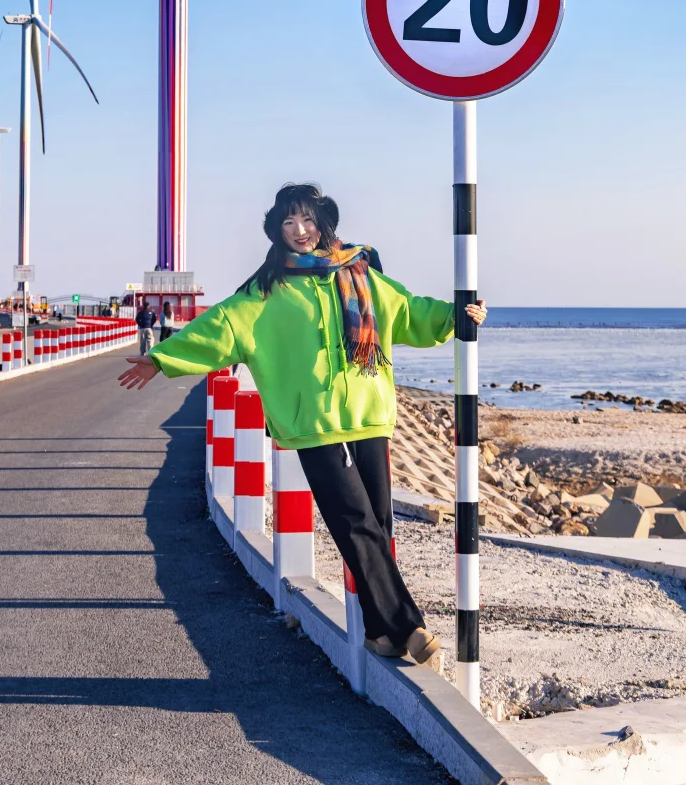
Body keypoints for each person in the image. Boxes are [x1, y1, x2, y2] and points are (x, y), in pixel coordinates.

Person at [118, 183, 488, 669]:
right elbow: (220, 328)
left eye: (308, 221)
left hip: (367, 410)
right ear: (277, 229)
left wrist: (458, 316)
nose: (300, 231)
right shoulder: (266, 288)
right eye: (289, 223)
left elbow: (410, 312)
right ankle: (408, 626)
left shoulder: (359, 272)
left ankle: (379, 632)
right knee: (353, 520)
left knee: (377, 521)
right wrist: (162, 359)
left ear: (323, 222)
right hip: (311, 421)